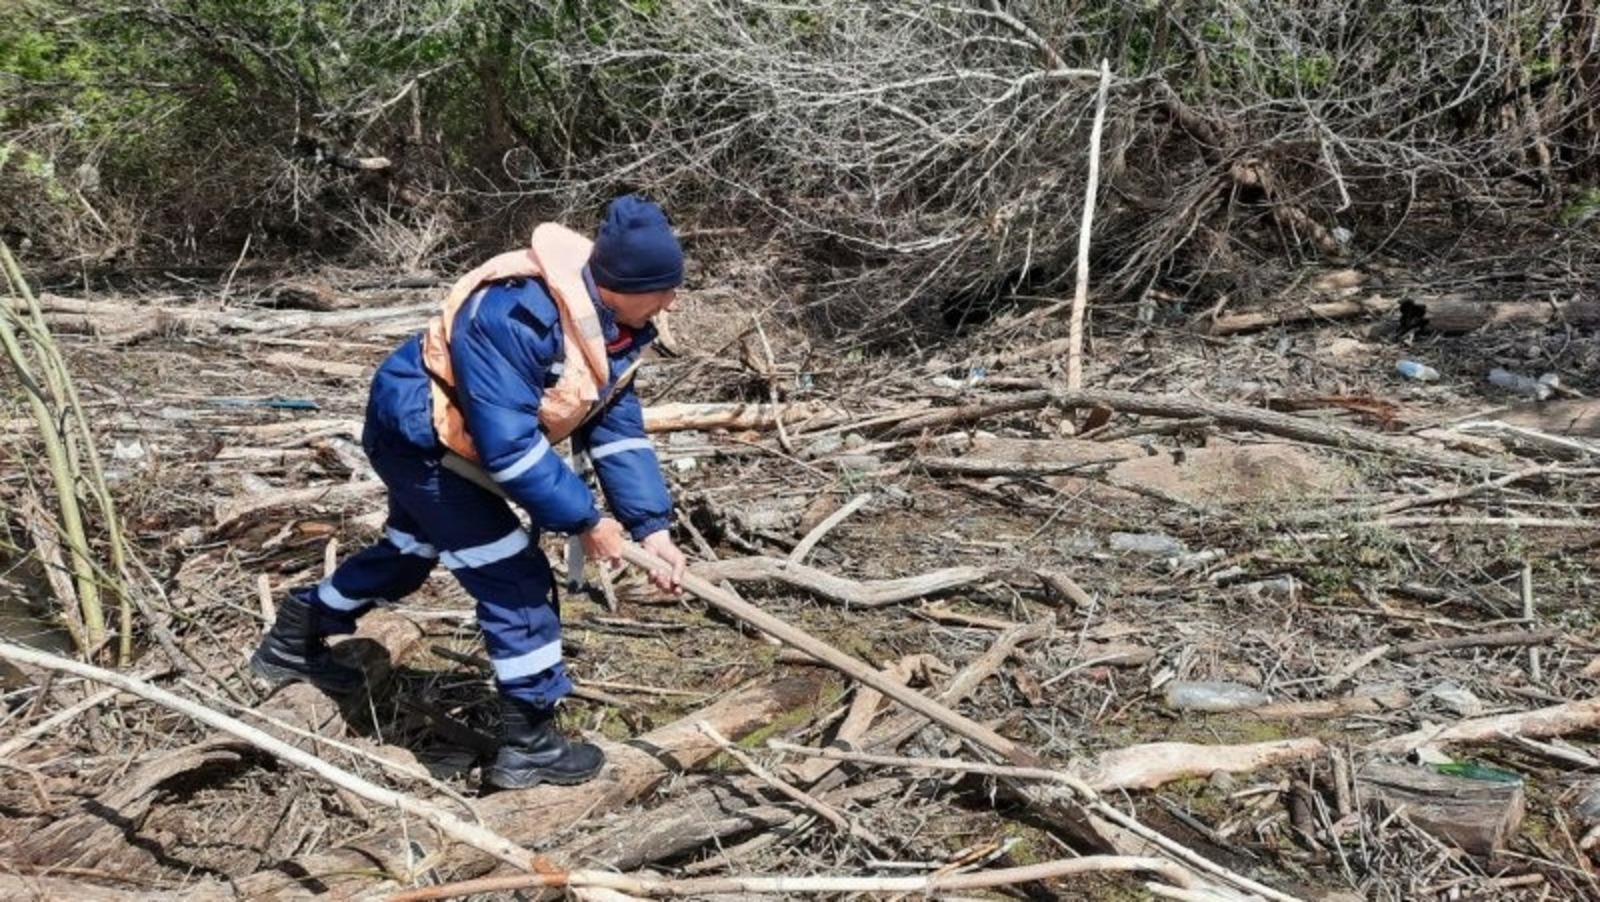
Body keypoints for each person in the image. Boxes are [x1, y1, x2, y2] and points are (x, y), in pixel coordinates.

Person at [250, 194, 690, 790]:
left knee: (409, 553)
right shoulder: (512, 314)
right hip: (421, 439)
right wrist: (586, 520)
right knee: (514, 576)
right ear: (621, 284)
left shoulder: (617, 328)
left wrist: (651, 528)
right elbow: (509, 445)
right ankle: (530, 744)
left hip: (462, 443)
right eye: (662, 290)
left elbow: (613, 426)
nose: (671, 302)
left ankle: (296, 635)